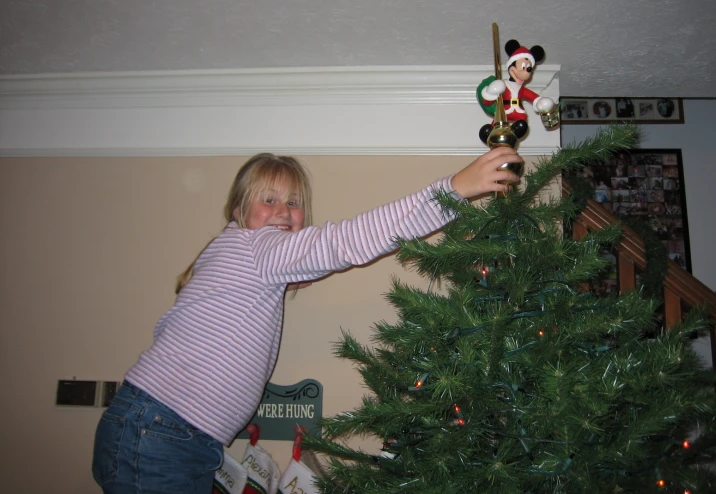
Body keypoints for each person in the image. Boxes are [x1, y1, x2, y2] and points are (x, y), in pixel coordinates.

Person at [91, 148, 523, 494]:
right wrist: (453, 190)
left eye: (294, 203)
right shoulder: (254, 248)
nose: (283, 211)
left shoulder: (240, 254)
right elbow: (345, 242)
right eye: (269, 199)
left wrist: (286, 278)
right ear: (239, 210)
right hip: (162, 434)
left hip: (166, 431)